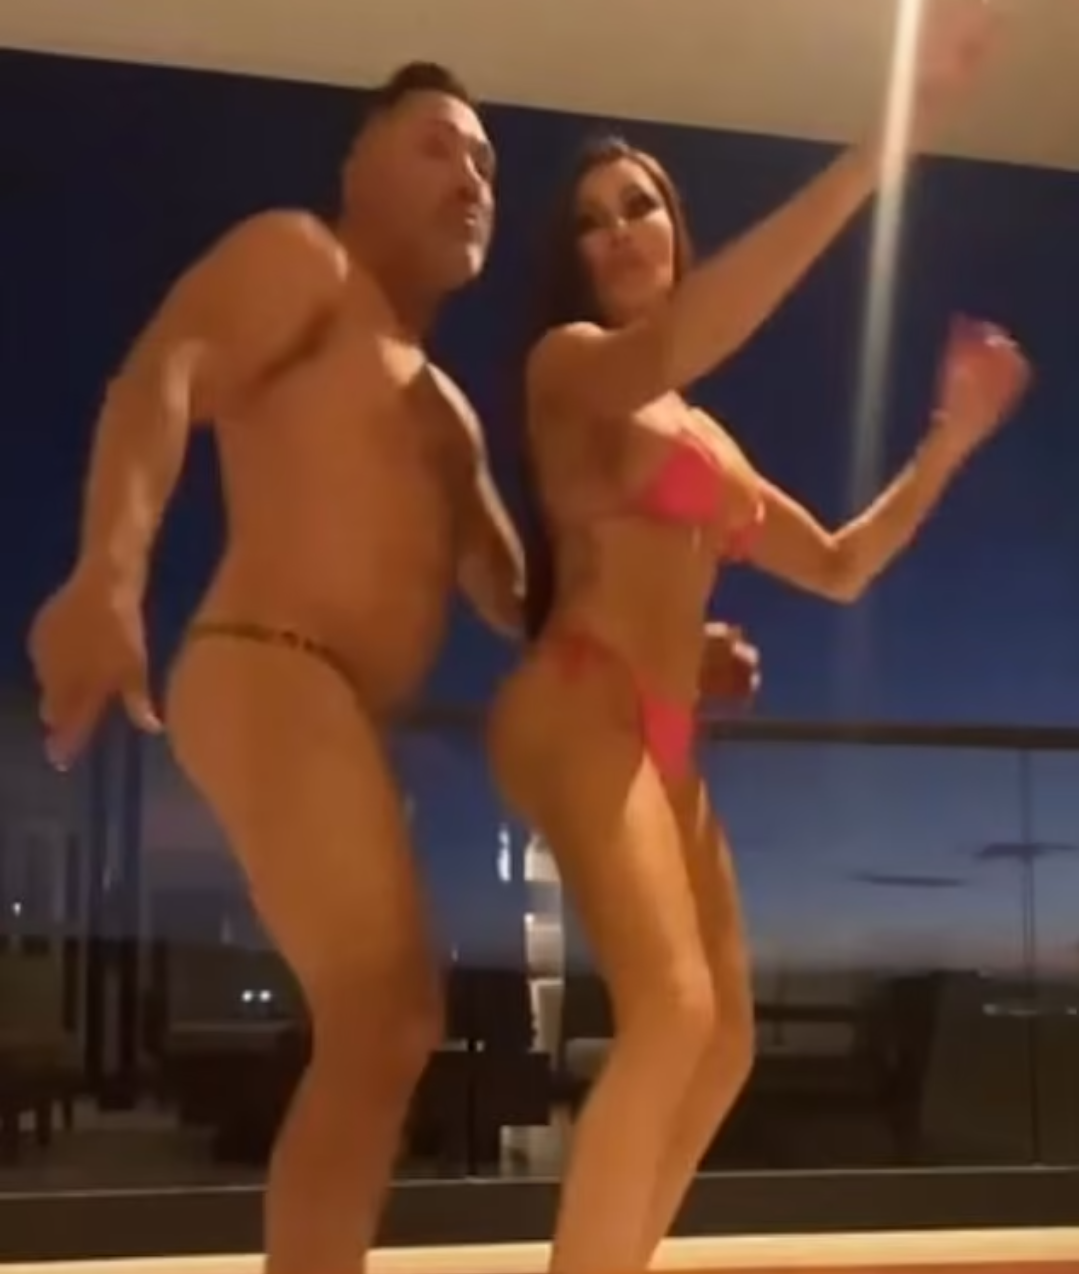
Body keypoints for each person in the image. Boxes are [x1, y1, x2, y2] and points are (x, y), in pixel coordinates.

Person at [24, 62, 758, 1274]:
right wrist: (111, 569)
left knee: (389, 1020)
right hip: (266, 662)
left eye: (484, 163)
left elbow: (523, 596)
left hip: (337, 707)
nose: (469, 176)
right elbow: (165, 370)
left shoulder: (447, 417)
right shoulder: (301, 259)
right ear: (356, 165)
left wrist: (672, 645)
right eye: (435, 146)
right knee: (383, 1008)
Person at [487, 5, 1030, 1274]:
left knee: (721, 1039)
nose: (621, 228)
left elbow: (837, 565)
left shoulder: (706, 440)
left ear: (675, 226)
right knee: (671, 1014)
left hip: (667, 738)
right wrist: (883, 146)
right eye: (593, 219)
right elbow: (695, 333)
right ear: (574, 260)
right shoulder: (570, 365)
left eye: (640, 204)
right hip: (578, 700)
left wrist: (946, 440)